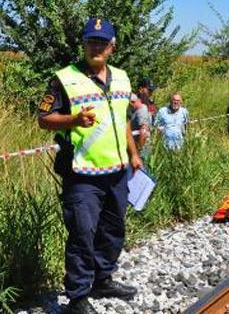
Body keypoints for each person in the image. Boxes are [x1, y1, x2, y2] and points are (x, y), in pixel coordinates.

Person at [38, 17, 142, 313]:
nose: (96, 47)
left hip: (117, 171)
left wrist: (133, 153)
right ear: (83, 44)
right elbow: (43, 119)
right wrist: (73, 119)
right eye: (91, 41)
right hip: (82, 173)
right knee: (83, 233)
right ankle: (78, 297)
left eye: (102, 42)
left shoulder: (122, 77)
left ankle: (102, 279)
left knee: (113, 230)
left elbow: (121, 120)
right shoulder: (63, 78)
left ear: (113, 46)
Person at [129, 93, 152, 162]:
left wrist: (139, 149)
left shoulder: (141, 111)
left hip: (144, 145)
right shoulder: (139, 110)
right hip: (145, 144)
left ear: (133, 102)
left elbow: (144, 131)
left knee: (143, 166)